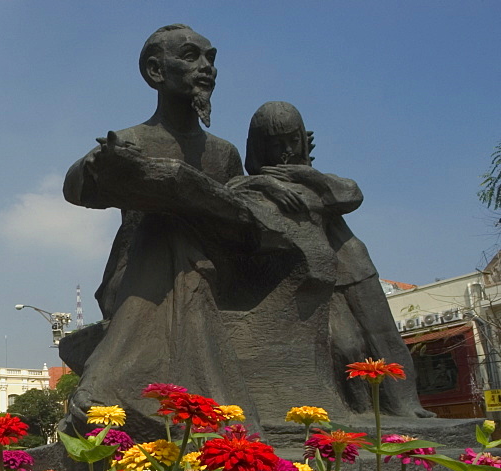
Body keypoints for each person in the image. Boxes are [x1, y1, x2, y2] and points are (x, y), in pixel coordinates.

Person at [60, 25, 295, 439]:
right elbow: (74, 188)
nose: (206, 68)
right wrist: (100, 162)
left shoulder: (223, 153)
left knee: (182, 231)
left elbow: (241, 215)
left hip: (216, 269)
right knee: (166, 223)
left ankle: (106, 383)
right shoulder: (131, 139)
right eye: (191, 57)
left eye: (211, 59)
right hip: (136, 278)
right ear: (155, 71)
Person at [231, 101, 432, 417]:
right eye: (276, 143)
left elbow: (350, 194)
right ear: (259, 146)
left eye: (292, 141)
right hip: (314, 275)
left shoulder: (311, 177)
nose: (285, 150)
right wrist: (265, 181)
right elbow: (232, 189)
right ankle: (362, 412)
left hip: (352, 265)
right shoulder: (256, 184)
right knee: (345, 345)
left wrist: (305, 172)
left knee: (383, 335)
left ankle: (406, 404)